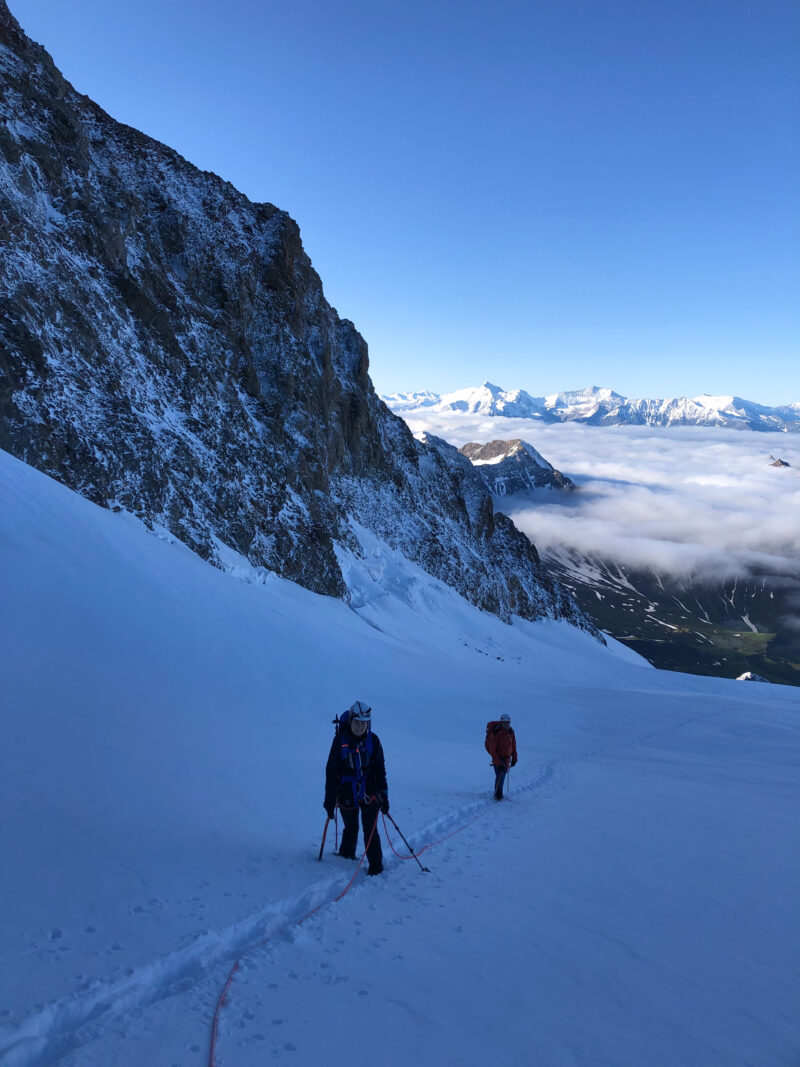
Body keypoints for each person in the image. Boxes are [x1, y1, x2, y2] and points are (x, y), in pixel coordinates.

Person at [324, 700, 388, 876]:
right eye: (356, 723)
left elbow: (380, 769)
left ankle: (376, 867)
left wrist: (384, 795)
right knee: (351, 827)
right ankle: (345, 858)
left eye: (363, 723)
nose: (360, 727)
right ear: (351, 721)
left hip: (370, 791)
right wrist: (329, 800)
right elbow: (331, 771)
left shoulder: (373, 741)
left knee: (370, 831)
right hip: (346, 792)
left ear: (368, 723)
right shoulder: (340, 741)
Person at [485, 713, 517, 800]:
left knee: (501, 775)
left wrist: (514, 758)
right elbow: (492, 749)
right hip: (497, 757)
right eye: (504, 722)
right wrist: (499, 762)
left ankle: (498, 793)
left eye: (508, 722)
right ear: (501, 722)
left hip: (507, 758)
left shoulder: (510, 732)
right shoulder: (496, 732)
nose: (506, 724)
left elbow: (513, 746)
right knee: (500, 775)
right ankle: (498, 794)